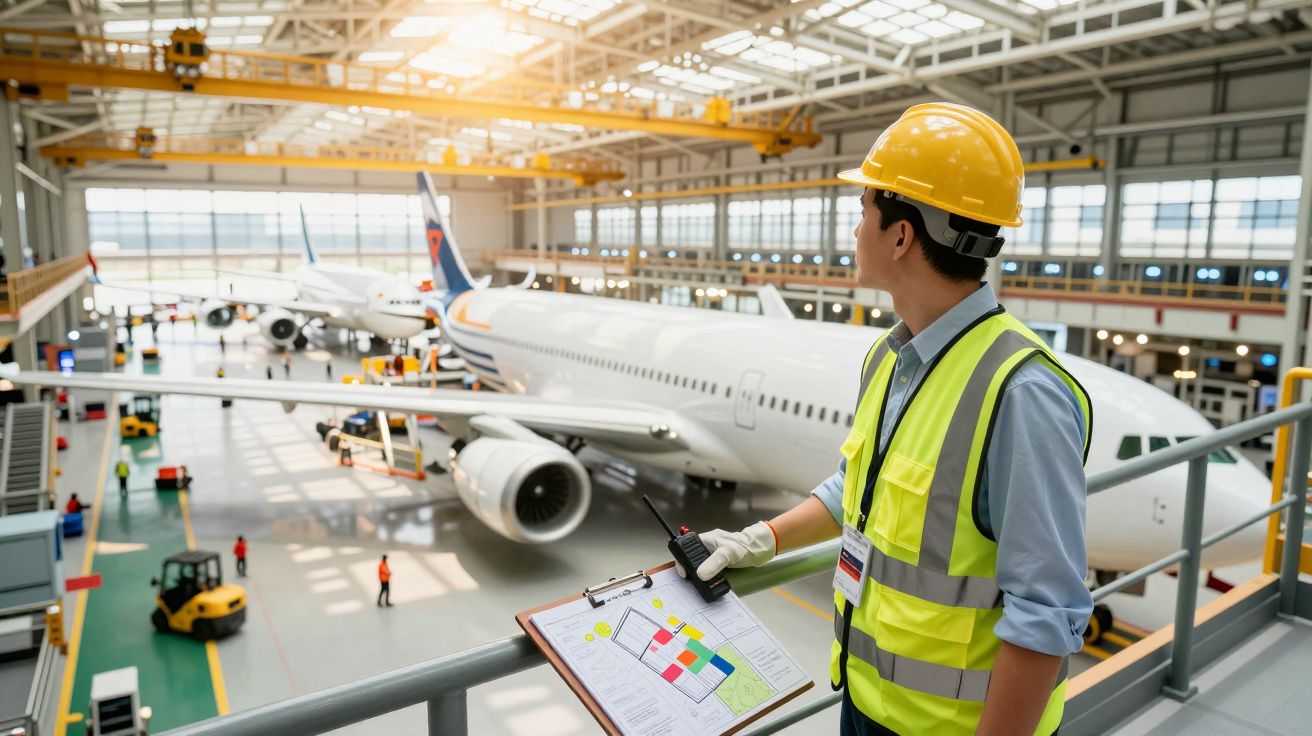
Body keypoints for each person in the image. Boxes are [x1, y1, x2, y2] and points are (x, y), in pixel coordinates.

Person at [684, 104, 1092, 736]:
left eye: (865, 212)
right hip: (867, 701)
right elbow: (861, 489)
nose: (855, 230)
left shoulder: (1021, 393)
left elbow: (1045, 615)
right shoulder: (892, 356)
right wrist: (759, 541)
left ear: (901, 236)